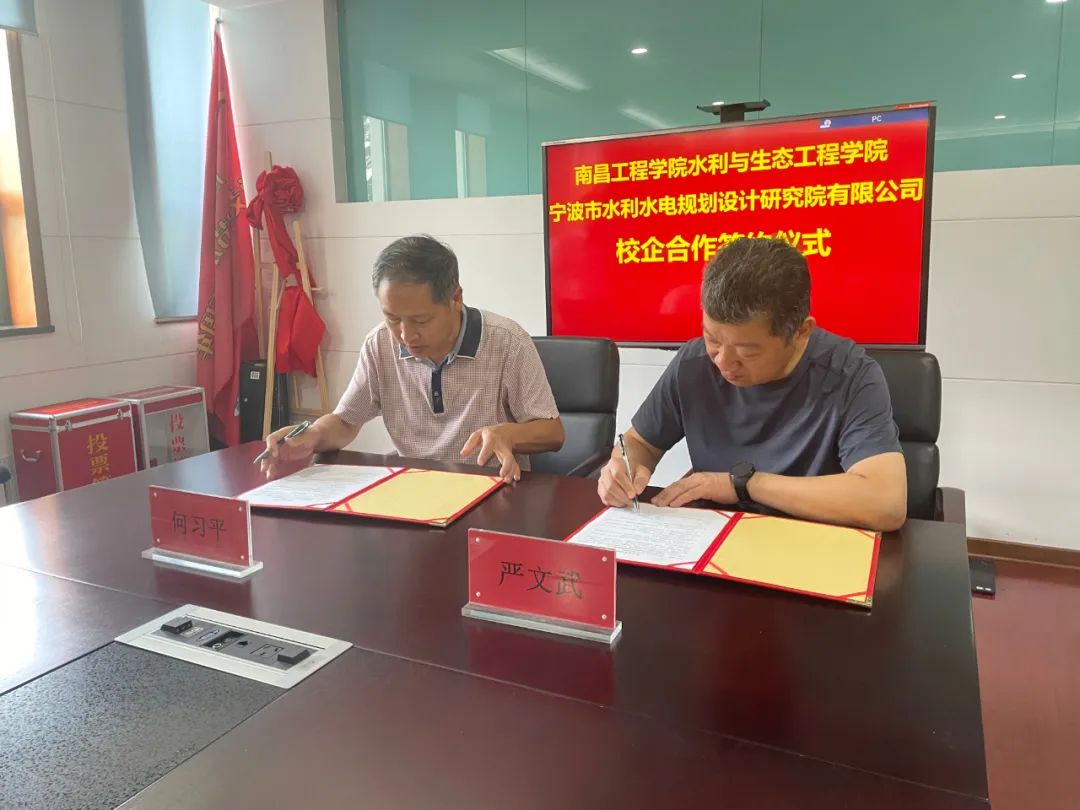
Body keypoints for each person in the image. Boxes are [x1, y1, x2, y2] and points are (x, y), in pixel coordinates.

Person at [598, 237, 907, 531]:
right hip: (709, 536)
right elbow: (639, 443)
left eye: (747, 352)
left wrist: (743, 485)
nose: (723, 362)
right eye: (712, 339)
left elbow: (885, 502)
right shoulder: (693, 363)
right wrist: (623, 467)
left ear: (801, 332)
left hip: (809, 542)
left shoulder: (849, 374)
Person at [261, 235, 564, 481]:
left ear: (455, 298)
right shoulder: (380, 344)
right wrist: (311, 436)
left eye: (421, 320)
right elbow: (345, 422)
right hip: (412, 490)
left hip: (488, 489)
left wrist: (508, 434)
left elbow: (553, 432)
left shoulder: (507, 341)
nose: (406, 335)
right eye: (393, 318)